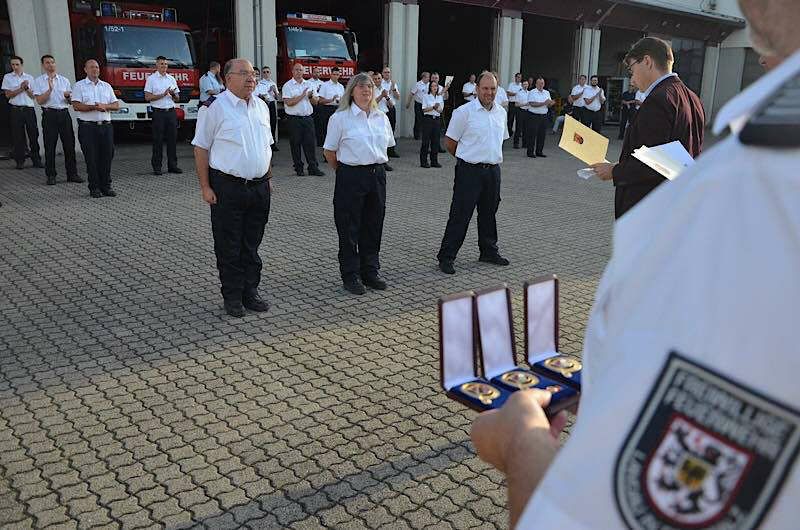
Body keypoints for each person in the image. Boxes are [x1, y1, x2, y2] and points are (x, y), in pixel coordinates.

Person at [471, 2, 800, 527]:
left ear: (648, 63)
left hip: (652, 212)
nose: (629, 72)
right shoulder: (694, 99)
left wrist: (520, 446)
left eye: (631, 65)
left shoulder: (764, 185)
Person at [192, 58, 273, 318]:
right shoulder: (214, 107)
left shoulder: (261, 106)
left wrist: (268, 179)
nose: (252, 78)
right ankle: (233, 296)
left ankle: (251, 292)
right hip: (228, 187)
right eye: (245, 74)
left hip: (259, 188)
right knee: (229, 245)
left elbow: (266, 147)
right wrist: (205, 186)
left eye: (254, 74)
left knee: (252, 245)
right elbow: (201, 148)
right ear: (228, 78)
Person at [592, 37, 705, 218]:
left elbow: (653, 164)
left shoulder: (658, 100)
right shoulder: (692, 97)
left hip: (649, 206)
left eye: (631, 69)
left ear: (647, 61)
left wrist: (614, 171)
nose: (632, 78)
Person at [323, 72, 395, 296]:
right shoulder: (340, 118)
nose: (366, 91)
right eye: (361, 87)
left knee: (373, 225)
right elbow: (329, 152)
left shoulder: (381, 117)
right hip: (351, 176)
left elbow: (388, 146)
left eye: (370, 87)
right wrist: (347, 172)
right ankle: (351, 275)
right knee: (349, 227)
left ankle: (370, 271)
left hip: (377, 175)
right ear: (351, 91)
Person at [437, 71, 509, 275]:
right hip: (469, 171)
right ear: (477, 89)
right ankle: (447, 256)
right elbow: (450, 143)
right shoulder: (463, 112)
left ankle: (488, 251)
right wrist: (467, 158)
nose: (489, 92)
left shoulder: (501, 113)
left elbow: (500, 140)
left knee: (489, 214)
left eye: (493, 89)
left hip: (493, 171)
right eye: (485, 88)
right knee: (460, 214)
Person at [71, 59, 119, 198]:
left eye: (97, 67)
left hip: (106, 126)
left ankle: (106, 186)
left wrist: (105, 106)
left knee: (107, 156)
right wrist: (93, 107)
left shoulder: (106, 86)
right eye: (91, 67)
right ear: (85, 70)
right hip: (88, 128)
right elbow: (76, 106)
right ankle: (94, 187)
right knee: (91, 158)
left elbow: (115, 105)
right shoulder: (79, 86)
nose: (95, 70)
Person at [32, 54, 81, 185]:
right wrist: (49, 90)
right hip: (49, 114)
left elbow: (70, 101)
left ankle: (72, 174)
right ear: (43, 65)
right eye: (47, 63)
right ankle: (51, 175)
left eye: (52, 62)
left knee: (69, 145)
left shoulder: (64, 80)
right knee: (50, 146)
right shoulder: (39, 81)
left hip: (64, 114)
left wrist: (68, 97)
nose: (50, 65)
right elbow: (39, 101)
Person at [282, 63, 324, 177]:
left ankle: (313, 167)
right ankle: (298, 168)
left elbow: (316, 102)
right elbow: (289, 103)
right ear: (292, 71)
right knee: (295, 144)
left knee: (310, 143)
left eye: (301, 70)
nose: (299, 72)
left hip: (308, 118)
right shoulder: (288, 85)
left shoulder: (309, 84)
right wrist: (303, 95)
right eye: (296, 70)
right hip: (294, 119)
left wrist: (310, 96)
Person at [2, 55, 42, 170]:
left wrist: (27, 88)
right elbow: (8, 95)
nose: (15, 67)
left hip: (28, 109)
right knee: (17, 136)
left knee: (33, 134)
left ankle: (36, 159)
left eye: (17, 64)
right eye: (13, 65)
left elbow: (32, 96)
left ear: (22, 65)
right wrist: (20, 88)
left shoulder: (29, 77)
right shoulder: (8, 77)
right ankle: (19, 161)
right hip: (15, 109)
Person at [144, 56, 182, 175]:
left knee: (172, 140)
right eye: (161, 64)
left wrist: (172, 95)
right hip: (158, 113)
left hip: (170, 112)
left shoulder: (171, 78)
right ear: (156, 65)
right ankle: (157, 167)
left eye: (166, 64)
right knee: (158, 140)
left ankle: (173, 165)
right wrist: (163, 94)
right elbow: (147, 97)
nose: (164, 66)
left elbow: (177, 98)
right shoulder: (151, 79)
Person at [316, 67, 344, 153]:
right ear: (330, 75)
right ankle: (326, 153)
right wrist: (331, 100)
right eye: (334, 74)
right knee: (327, 131)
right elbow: (320, 100)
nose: (335, 76)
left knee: (337, 131)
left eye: (337, 74)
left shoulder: (341, 86)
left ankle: (336, 151)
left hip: (338, 109)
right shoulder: (325, 85)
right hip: (327, 109)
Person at [525, 76, 554, 158]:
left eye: (542, 83)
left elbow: (548, 104)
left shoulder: (547, 93)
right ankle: (530, 152)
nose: (541, 85)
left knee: (542, 135)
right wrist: (544, 103)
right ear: (536, 84)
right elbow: (532, 104)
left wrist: (550, 103)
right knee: (532, 134)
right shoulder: (532, 92)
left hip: (544, 116)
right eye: (540, 83)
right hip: (534, 116)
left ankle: (539, 151)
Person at [372, 71, 395, 172]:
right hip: (374, 116)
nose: (377, 80)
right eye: (375, 79)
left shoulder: (385, 90)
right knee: (376, 140)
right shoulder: (371, 90)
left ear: (382, 79)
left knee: (384, 140)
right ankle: (374, 161)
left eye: (379, 78)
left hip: (384, 116)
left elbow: (391, 105)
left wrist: (387, 96)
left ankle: (383, 161)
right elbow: (372, 104)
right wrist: (381, 96)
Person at [254, 65, 280, 151]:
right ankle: (267, 143)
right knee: (266, 123)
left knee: (273, 123)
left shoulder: (273, 83)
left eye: (267, 72)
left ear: (270, 73)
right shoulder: (261, 83)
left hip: (272, 104)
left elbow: (277, 98)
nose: (266, 74)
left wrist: (275, 92)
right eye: (264, 72)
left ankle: (273, 144)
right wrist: (268, 92)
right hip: (264, 104)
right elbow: (263, 95)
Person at [420, 80, 444, 169]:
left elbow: (440, 110)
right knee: (426, 141)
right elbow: (424, 110)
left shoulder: (439, 97)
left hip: (436, 120)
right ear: (430, 87)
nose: (434, 88)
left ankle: (434, 161)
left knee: (436, 141)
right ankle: (424, 161)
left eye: (436, 86)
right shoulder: (426, 96)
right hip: (428, 120)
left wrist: (436, 108)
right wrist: (433, 107)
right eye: (433, 86)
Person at [380, 66, 401, 158]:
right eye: (385, 72)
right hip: (382, 109)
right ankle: (383, 151)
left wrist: (393, 88)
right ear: (382, 73)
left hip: (392, 108)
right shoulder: (379, 82)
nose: (387, 74)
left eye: (388, 72)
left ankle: (391, 150)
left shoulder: (393, 84)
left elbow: (397, 97)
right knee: (382, 130)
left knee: (391, 128)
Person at [407, 71, 430, 140]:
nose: (429, 78)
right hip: (418, 104)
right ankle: (417, 136)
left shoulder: (430, 84)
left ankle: (425, 135)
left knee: (426, 120)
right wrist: (408, 103)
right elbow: (411, 94)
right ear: (423, 77)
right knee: (418, 120)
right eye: (428, 77)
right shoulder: (417, 84)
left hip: (427, 105)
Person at [513, 80, 529, 149]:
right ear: (522, 85)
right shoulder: (519, 93)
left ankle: (525, 143)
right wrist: (524, 104)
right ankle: (516, 143)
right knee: (518, 128)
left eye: (527, 84)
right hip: (520, 111)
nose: (526, 85)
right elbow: (516, 104)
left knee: (526, 128)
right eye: (524, 84)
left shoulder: (529, 93)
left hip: (527, 111)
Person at [506, 73, 523, 137]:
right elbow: (508, 93)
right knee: (510, 119)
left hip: (519, 104)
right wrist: (516, 94)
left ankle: (518, 133)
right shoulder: (511, 84)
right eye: (518, 77)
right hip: (512, 104)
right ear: (515, 77)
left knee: (519, 120)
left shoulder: (522, 85)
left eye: (520, 77)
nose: (519, 78)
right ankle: (509, 133)